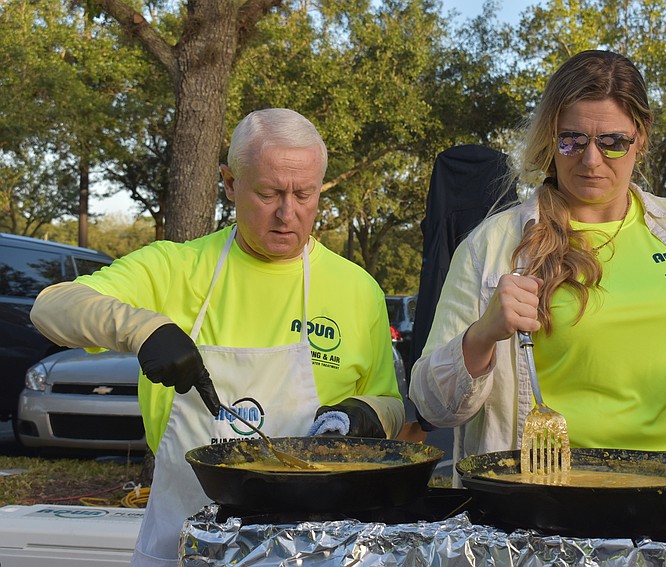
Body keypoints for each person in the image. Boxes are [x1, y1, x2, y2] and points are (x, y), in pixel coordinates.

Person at [30, 108, 404, 567]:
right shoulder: (176, 267)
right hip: (182, 535)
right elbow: (50, 307)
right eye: (269, 193)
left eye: (304, 194)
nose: (288, 213)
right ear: (229, 183)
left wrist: (364, 414)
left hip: (313, 544)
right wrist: (144, 329)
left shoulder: (357, 289)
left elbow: (390, 405)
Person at [409, 50, 666, 507]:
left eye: (613, 142)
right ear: (551, 138)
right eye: (572, 140)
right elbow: (432, 402)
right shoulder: (494, 246)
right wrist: (482, 335)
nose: (591, 160)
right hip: (541, 506)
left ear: (641, 137)